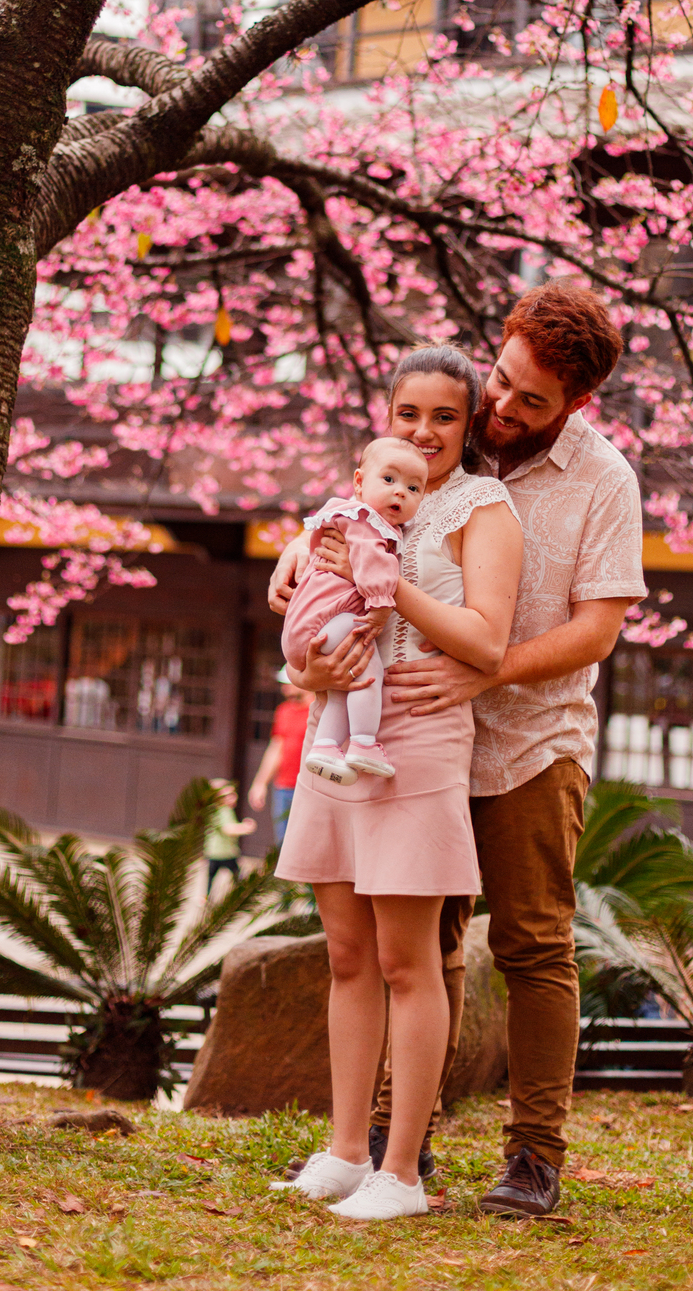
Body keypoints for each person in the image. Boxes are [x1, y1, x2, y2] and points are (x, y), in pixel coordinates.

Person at [270, 282, 646, 1218]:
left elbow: (597, 629)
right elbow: (362, 511)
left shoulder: (602, 483)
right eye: (503, 383)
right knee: (414, 948)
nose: (505, 410)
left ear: (576, 405)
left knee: (529, 944)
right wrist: (298, 559)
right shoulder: (446, 440)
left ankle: (532, 1155)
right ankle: (399, 1142)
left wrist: (488, 669)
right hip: (410, 737)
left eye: (533, 402)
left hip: (526, 742)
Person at [270, 347, 523, 1221]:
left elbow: (487, 643)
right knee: (345, 955)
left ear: (470, 424)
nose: (425, 431)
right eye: (408, 413)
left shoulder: (481, 509)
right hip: (338, 731)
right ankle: (344, 1151)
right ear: (386, 418)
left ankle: (402, 1171)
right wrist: (303, 568)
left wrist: (391, 588)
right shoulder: (354, 501)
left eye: (445, 416)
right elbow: (307, 593)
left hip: (417, 743)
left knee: (407, 961)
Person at [282, 437, 428, 784]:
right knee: (367, 674)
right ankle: (363, 742)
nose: (400, 493)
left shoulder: (343, 516)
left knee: (340, 690)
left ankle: (326, 748)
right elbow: (373, 566)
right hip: (333, 621)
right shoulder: (366, 521)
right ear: (360, 483)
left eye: (413, 488)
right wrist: (379, 606)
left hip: (309, 629)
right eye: (389, 480)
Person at [247, 670, 314, 844]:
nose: (284, 689)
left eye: (288, 683)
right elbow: (276, 747)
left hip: (309, 787)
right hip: (283, 788)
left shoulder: (319, 710)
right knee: (282, 843)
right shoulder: (283, 711)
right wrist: (260, 783)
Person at [203, 778, 257, 897]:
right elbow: (227, 829)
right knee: (224, 875)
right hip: (221, 852)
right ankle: (209, 896)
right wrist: (244, 828)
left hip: (223, 851)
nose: (233, 797)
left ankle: (208, 896)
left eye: (233, 794)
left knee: (220, 875)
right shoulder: (221, 811)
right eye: (228, 795)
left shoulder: (225, 810)